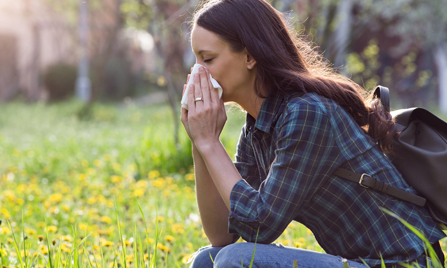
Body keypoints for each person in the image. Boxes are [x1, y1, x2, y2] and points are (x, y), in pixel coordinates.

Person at [180, 0, 446, 267]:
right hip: (358, 262)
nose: (196, 72)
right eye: (196, 59)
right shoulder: (256, 129)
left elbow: (260, 226)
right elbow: (221, 234)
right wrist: (199, 142)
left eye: (208, 59)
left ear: (249, 57)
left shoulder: (306, 113)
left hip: (403, 263)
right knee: (207, 259)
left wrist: (210, 143)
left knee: (234, 260)